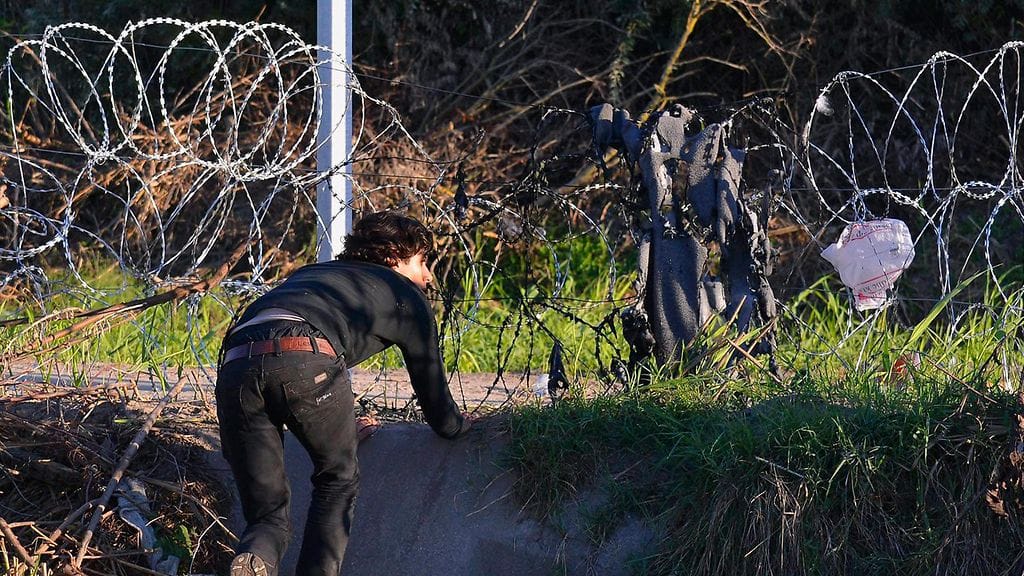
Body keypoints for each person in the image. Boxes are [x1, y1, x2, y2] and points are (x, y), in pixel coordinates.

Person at [215, 211, 470, 576]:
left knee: (267, 515)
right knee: (337, 478)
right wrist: (460, 427)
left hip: (236, 365)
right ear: (396, 257)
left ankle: (255, 559)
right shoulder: (405, 296)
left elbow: (276, 364)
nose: (428, 275)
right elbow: (435, 402)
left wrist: (340, 430)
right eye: (422, 261)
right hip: (306, 360)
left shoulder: (312, 275)